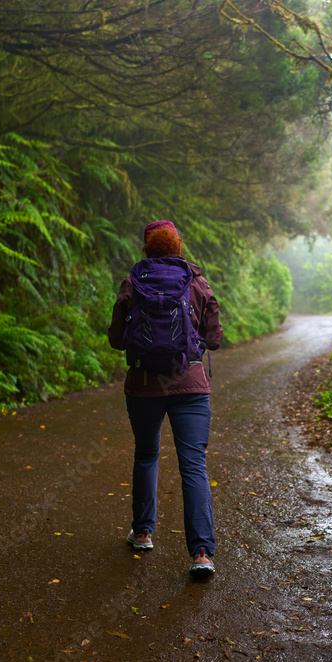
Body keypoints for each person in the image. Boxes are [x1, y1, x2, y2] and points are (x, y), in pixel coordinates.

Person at [107, 220, 223, 576]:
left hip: (144, 384)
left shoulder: (133, 281)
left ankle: (142, 532)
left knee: (146, 456)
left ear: (147, 248)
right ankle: (201, 553)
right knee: (193, 464)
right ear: (178, 246)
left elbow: (115, 338)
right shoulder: (196, 281)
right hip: (189, 384)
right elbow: (215, 337)